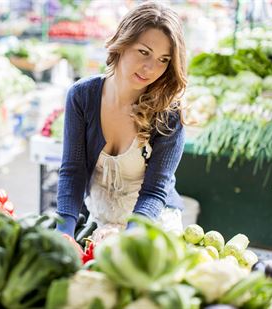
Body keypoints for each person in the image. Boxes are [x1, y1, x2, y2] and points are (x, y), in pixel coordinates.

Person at [56, 1, 187, 237]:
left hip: (152, 224)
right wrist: (64, 231)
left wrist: (129, 239)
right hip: (100, 220)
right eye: (144, 52)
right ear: (123, 43)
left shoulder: (169, 114)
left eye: (163, 59)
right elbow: (72, 172)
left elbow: (155, 191)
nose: (150, 68)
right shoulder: (82, 96)